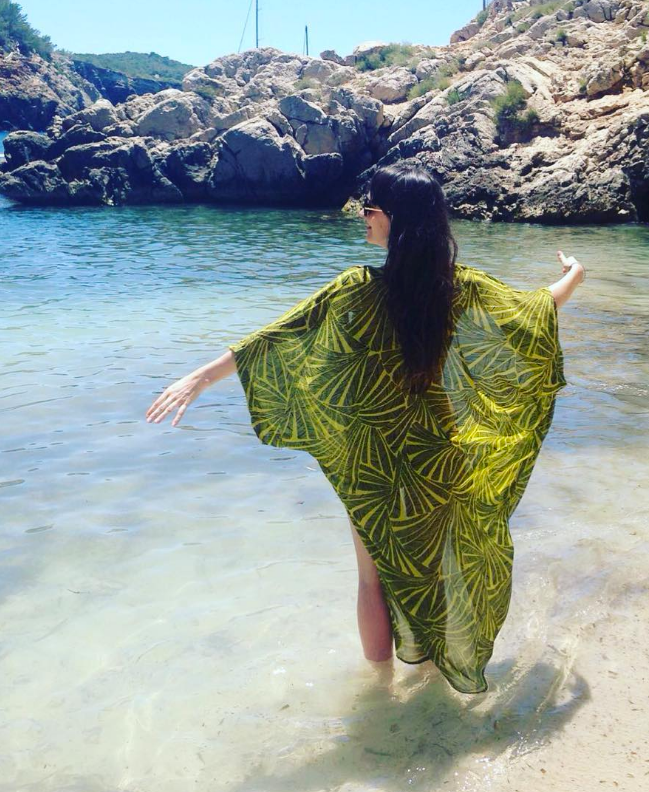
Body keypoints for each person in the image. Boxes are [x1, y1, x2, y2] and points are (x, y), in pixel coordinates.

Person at [146, 162, 585, 693]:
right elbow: (535, 311)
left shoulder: (354, 289)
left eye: (369, 208)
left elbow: (277, 340)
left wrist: (199, 378)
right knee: (435, 574)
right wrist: (574, 272)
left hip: (372, 461)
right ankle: (428, 676)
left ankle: (378, 695)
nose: (362, 216)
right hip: (440, 456)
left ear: (393, 219)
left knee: (372, 577)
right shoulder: (462, 289)